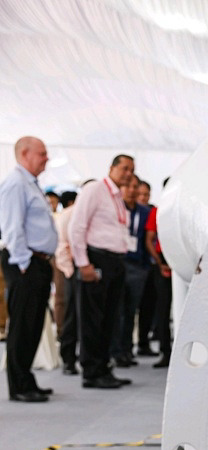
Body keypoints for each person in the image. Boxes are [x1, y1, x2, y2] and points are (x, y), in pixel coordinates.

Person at [68, 155, 135, 389]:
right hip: (96, 258)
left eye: (132, 170)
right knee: (92, 318)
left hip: (115, 262)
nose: (128, 173)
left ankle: (104, 367)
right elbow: (77, 226)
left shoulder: (117, 196)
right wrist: (83, 263)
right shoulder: (95, 189)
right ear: (112, 168)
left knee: (109, 318)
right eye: (124, 168)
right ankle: (91, 371)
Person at [0, 137, 58, 402]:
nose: (46, 158)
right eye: (42, 153)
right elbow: (12, 228)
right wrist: (23, 263)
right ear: (25, 154)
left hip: (38, 262)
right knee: (23, 325)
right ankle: (19, 386)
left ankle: (26, 379)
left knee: (33, 324)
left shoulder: (30, 183)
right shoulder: (15, 183)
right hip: (25, 262)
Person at [110, 175, 150, 367]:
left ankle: (126, 350)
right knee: (117, 311)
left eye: (136, 187)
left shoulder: (144, 211)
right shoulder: (115, 209)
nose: (132, 190)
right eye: (129, 186)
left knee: (130, 310)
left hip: (137, 266)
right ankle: (115, 351)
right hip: (119, 263)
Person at [145, 183, 171, 368]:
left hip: (184, 261)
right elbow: (149, 239)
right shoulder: (158, 211)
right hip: (163, 261)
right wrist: (160, 262)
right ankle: (165, 351)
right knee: (162, 309)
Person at [55, 190, 79, 374]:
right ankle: (68, 359)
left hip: (91, 271)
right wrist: (70, 272)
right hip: (72, 270)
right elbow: (62, 246)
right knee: (70, 314)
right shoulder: (68, 215)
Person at [135, 180, 157, 356]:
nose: (143, 197)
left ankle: (143, 342)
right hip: (132, 264)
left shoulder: (152, 211)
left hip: (149, 265)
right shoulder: (127, 211)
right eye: (140, 194)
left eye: (146, 194)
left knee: (148, 306)